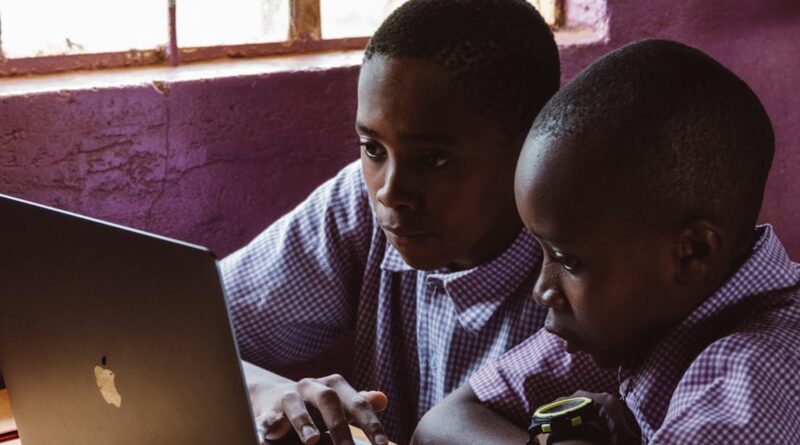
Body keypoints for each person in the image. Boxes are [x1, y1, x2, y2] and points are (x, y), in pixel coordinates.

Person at [411, 39, 800, 445]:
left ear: (692, 253)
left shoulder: (753, 382)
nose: (542, 290)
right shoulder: (643, 316)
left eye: (567, 260)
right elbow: (443, 423)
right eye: (543, 252)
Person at [220, 1, 564, 444]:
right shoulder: (361, 208)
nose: (390, 191)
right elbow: (179, 328)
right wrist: (265, 390)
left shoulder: (587, 270)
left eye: (432, 159)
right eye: (372, 148)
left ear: (529, 148)